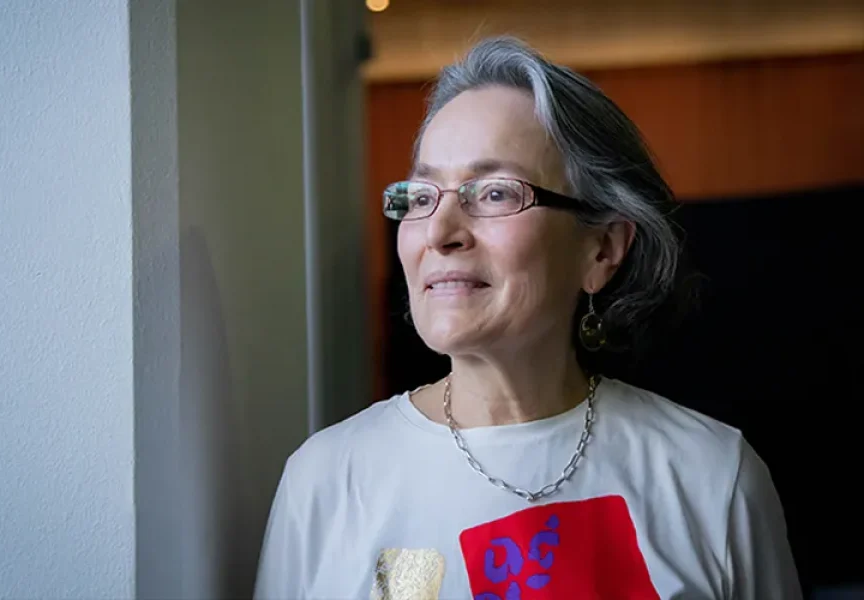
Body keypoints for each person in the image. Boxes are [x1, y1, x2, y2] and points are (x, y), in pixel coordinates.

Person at [254, 36, 801, 599]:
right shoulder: (324, 481)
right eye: (421, 196)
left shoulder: (712, 477)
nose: (439, 234)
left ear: (602, 249)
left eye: (493, 193)